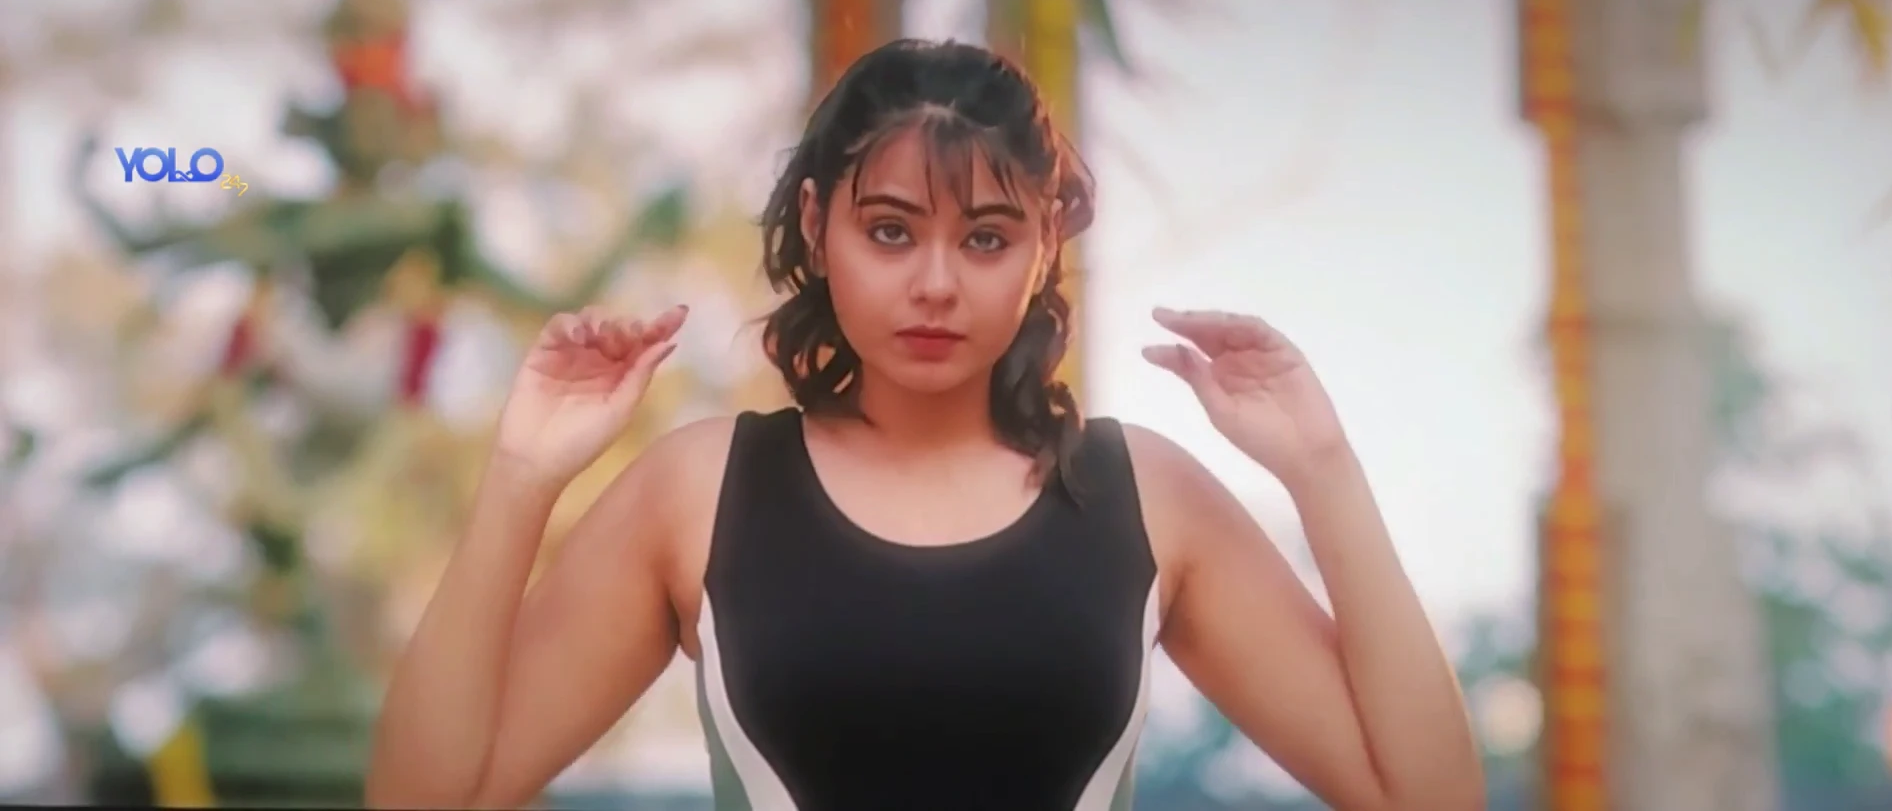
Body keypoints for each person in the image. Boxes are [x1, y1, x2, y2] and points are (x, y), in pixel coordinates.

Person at [366, 39, 1482, 811]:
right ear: (818, 225)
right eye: (892, 232)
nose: (937, 284)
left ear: (1043, 246)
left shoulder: (1144, 497)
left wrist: (1323, 469)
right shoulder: (698, 493)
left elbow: (1427, 797)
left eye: (986, 238)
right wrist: (521, 476)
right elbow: (424, 797)